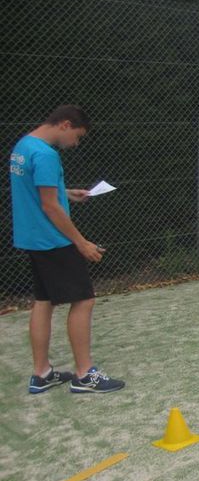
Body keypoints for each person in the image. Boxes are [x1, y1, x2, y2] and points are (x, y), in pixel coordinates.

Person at [9, 104, 125, 393]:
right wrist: (80, 242)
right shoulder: (46, 155)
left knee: (43, 301)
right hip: (53, 239)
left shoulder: (23, 146)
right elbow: (49, 206)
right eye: (77, 136)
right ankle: (85, 374)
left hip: (32, 237)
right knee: (83, 300)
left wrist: (67, 193)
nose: (75, 143)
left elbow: (40, 193)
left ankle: (41, 374)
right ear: (64, 124)